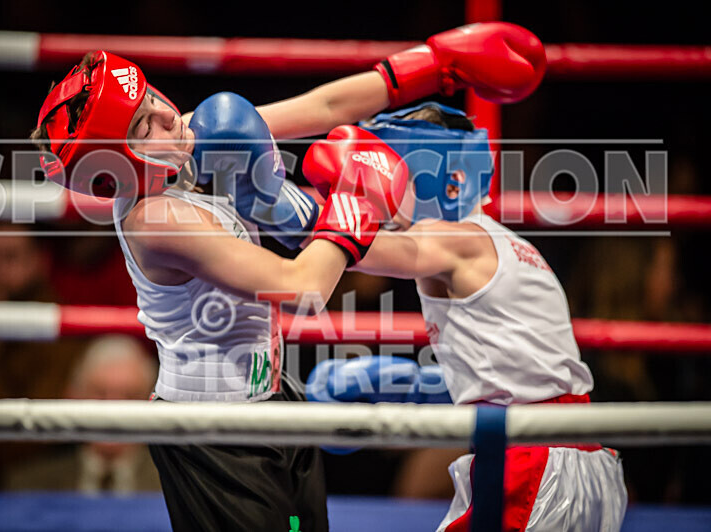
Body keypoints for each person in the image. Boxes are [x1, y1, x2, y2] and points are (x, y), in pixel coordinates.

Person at [30, 22, 544, 532]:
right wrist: (354, 203)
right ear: (117, 167)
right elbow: (301, 289)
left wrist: (432, 65)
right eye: (144, 124)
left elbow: (323, 109)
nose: (168, 114)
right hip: (213, 434)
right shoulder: (156, 221)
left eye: (152, 94)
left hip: (271, 399)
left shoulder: (188, 138)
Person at [305, 103, 628, 531]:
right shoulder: (507, 243)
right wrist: (421, 388)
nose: (383, 187)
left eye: (394, 169)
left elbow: (353, 247)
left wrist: (278, 197)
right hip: (575, 460)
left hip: (534, 465)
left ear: (447, 180)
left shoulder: (451, 238)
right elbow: (526, 372)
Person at [4, 335, 161, 493]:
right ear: (73, 397)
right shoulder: (28, 485)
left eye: (130, 395)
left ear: (150, 403)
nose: (113, 410)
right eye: (100, 393)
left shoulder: (172, 489)